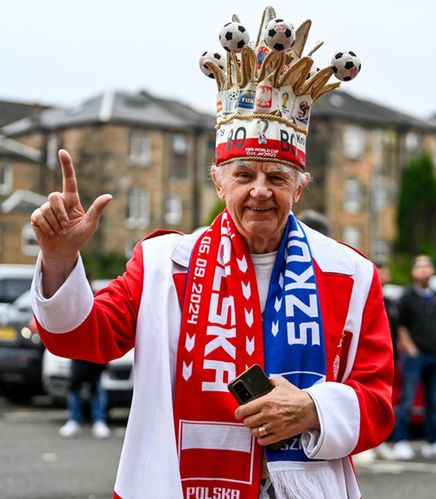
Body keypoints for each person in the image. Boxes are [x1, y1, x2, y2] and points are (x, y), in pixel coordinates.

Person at [30, 6, 394, 499]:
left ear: (300, 186)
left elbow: (379, 398)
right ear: (218, 181)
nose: (260, 191)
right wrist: (58, 259)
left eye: (277, 178)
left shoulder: (351, 273)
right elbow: (81, 338)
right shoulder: (162, 263)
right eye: (244, 175)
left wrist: (313, 409)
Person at [57, 269, 111, 438]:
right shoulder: (74, 298)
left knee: (97, 386)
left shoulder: (98, 296)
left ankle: (99, 420)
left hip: (96, 349)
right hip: (79, 351)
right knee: (75, 386)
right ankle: (74, 420)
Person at [392, 255, 436, 460]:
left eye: (427, 266)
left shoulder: (434, 295)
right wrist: (410, 348)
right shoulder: (406, 296)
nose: (424, 269)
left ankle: (431, 441)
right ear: (413, 271)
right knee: (407, 399)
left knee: (433, 401)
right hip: (414, 357)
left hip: (433, 355)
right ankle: (401, 440)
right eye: (419, 266)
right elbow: (400, 325)